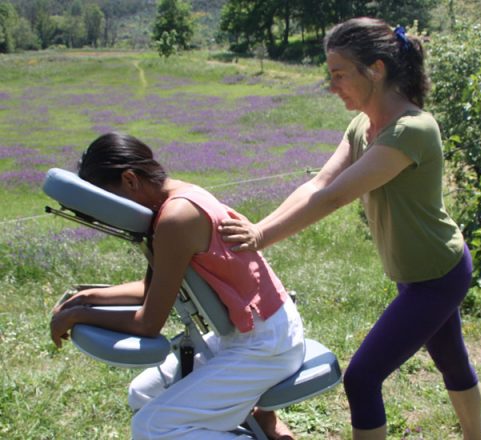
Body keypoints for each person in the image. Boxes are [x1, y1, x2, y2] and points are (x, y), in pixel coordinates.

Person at [219, 17, 481, 440]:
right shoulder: (363, 125)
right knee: (450, 356)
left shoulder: (410, 130)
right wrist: (257, 228)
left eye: (339, 75)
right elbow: (318, 183)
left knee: (362, 378)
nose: (332, 86)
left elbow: (333, 198)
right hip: (414, 271)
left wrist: (260, 238)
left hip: (437, 274)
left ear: (375, 70)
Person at [50, 132, 304, 440]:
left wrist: (77, 316)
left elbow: (148, 323)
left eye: (111, 201)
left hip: (266, 344)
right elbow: (152, 290)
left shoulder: (176, 218)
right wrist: (86, 298)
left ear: (130, 180)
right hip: (249, 333)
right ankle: (257, 422)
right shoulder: (175, 200)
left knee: (151, 429)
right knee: (142, 393)